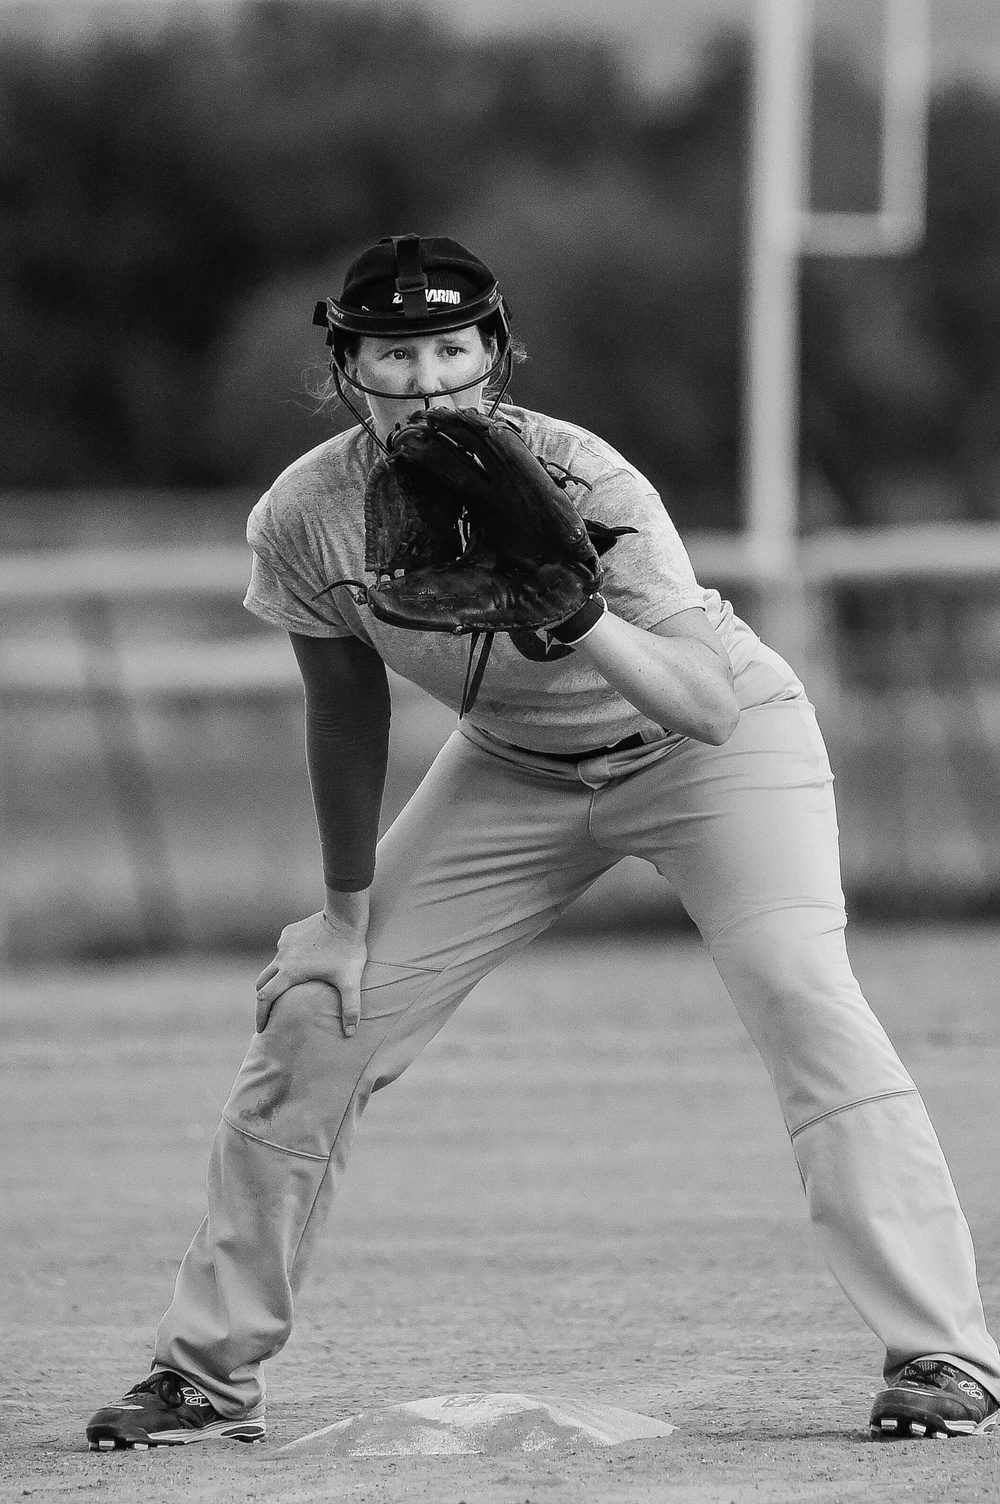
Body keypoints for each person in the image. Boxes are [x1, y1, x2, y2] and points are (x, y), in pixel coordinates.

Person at [87, 233, 1000, 1450]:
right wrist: (343, 916)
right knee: (314, 1018)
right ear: (346, 365)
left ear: (496, 353)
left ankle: (943, 1350)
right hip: (513, 768)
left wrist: (571, 609)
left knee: (801, 990)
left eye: (451, 346)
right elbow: (343, 701)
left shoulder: (583, 478)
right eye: (393, 351)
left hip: (708, 753)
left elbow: (705, 704)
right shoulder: (305, 514)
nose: (424, 375)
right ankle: (205, 1374)